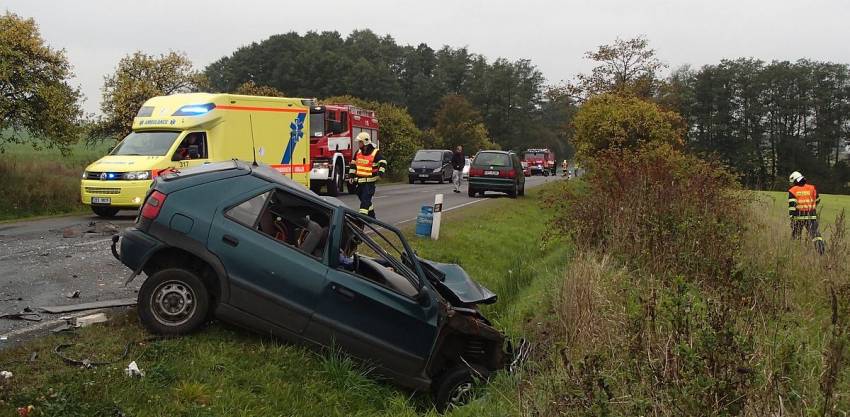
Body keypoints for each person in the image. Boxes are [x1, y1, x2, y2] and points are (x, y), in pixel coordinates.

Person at [348, 132, 386, 218]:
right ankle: (372, 216)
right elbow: (353, 164)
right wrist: (351, 176)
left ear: (365, 142)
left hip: (369, 183)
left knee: (365, 201)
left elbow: (383, 162)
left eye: (360, 142)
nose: (358, 143)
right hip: (360, 182)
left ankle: (362, 219)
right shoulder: (358, 152)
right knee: (364, 199)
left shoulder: (375, 152)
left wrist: (381, 172)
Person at [788, 171, 825, 255]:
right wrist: (811, 207)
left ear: (795, 181)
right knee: (816, 235)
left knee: (796, 236)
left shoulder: (793, 190)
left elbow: (792, 206)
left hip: (798, 218)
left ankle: (794, 254)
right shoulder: (812, 188)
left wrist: (792, 218)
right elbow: (818, 200)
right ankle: (821, 252)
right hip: (811, 217)